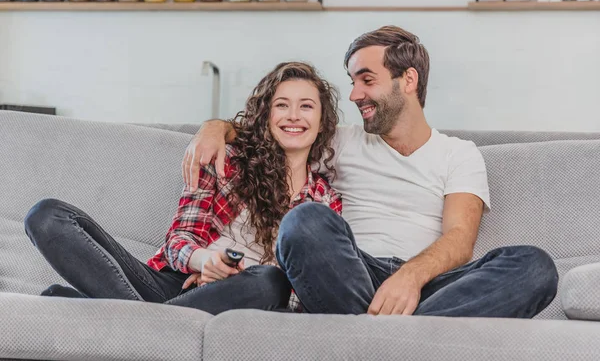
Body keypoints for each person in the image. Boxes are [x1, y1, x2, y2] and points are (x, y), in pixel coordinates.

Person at [182, 26, 559, 318]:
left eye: (366, 79)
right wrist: (215, 127)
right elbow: (274, 129)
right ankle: (401, 335)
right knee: (304, 222)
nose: (354, 95)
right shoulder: (341, 141)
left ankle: (382, 336)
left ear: (407, 80)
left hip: (429, 286)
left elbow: (460, 239)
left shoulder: (459, 154)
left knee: (534, 266)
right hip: (348, 273)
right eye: (352, 82)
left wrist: (408, 279)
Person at [24, 61, 342, 315]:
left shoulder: (325, 202)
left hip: (243, 296)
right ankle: (159, 328)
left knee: (272, 281)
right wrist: (205, 262)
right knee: (47, 216)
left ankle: (118, 320)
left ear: (322, 118)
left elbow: (308, 286)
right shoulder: (225, 159)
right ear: (266, 115)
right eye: (282, 105)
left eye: (306, 107)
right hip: (174, 286)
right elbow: (179, 240)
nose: (294, 116)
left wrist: (226, 277)